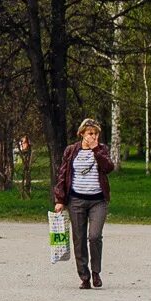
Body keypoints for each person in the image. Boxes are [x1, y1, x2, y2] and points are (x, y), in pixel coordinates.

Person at [54, 117, 116, 290]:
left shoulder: (102, 149)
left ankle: (96, 272)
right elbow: (62, 174)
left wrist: (96, 150)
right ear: (82, 134)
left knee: (94, 236)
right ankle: (84, 276)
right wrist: (59, 199)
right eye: (90, 133)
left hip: (98, 201)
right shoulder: (71, 151)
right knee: (79, 239)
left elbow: (109, 168)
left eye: (96, 133)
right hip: (76, 200)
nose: (94, 136)